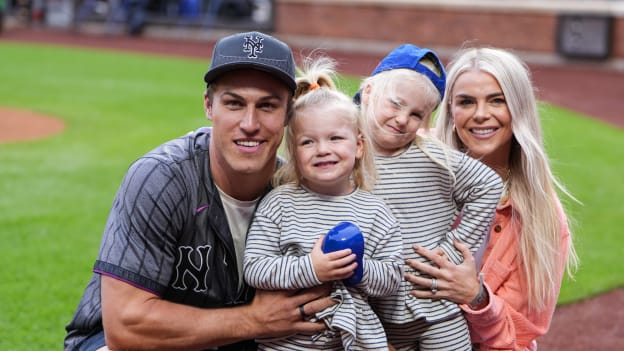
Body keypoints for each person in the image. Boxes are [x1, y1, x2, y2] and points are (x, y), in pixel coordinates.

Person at [64, 31, 336, 351]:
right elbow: (125, 327)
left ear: (289, 113)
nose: (249, 123)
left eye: (267, 106)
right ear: (209, 105)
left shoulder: (295, 194)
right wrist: (256, 320)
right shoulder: (162, 178)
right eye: (234, 103)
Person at [404, 47, 579, 351]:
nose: (481, 114)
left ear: (519, 108)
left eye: (497, 100)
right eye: (466, 102)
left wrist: (475, 296)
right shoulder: (415, 161)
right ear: (451, 109)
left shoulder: (541, 217)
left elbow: (518, 336)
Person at [243, 56, 403, 350]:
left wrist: (358, 270)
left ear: (358, 145)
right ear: (293, 151)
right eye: (308, 142)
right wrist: (312, 269)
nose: (323, 150)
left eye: (335, 138)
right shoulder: (280, 203)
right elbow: (255, 268)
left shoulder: (376, 211)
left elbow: (393, 277)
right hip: (288, 344)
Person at [356, 44, 504, 350]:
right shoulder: (345, 155)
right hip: (376, 317)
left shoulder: (432, 156)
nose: (402, 119)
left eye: (416, 115)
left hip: (440, 311)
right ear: (369, 90)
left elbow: (488, 185)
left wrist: (448, 254)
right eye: (395, 104)